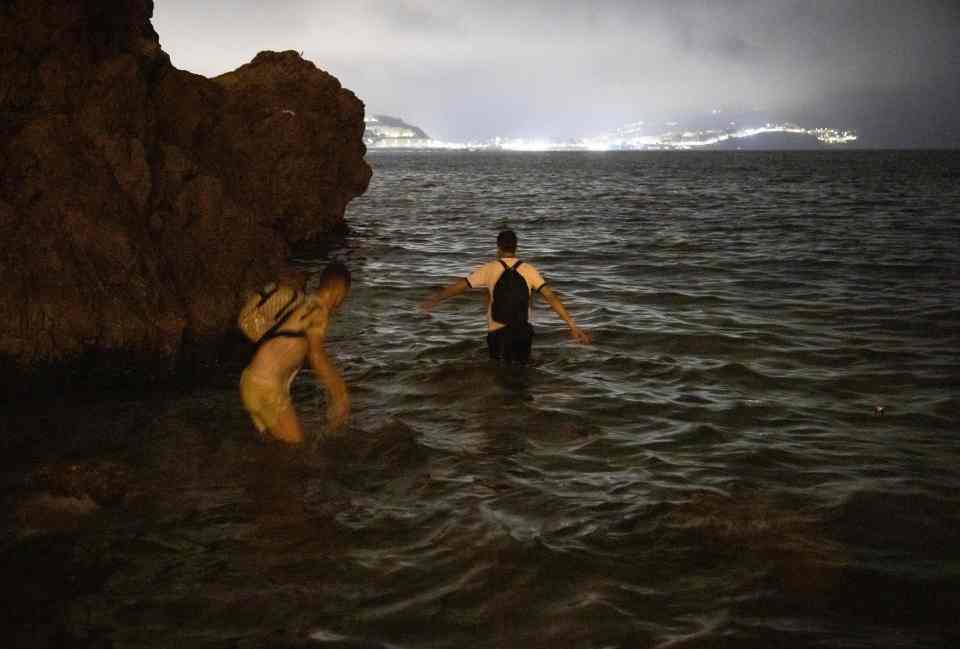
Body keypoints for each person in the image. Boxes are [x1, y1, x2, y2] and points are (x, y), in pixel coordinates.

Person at [420, 229, 591, 363]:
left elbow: (460, 287)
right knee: (523, 375)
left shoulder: (489, 268)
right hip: (523, 332)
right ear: (516, 247)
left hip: (498, 333)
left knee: (499, 375)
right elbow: (551, 297)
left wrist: (434, 300)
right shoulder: (529, 269)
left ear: (498, 247)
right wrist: (573, 327)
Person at [240, 262, 351, 444]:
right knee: (296, 450)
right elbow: (316, 355)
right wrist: (339, 391)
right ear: (340, 291)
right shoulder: (319, 310)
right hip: (267, 388)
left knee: (275, 451)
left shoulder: (303, 305)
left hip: (251, 382)